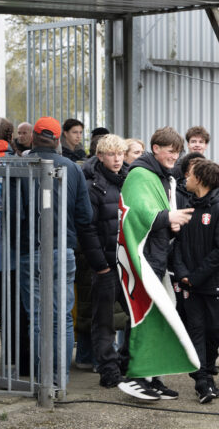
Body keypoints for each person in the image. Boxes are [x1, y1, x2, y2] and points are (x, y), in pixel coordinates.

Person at [117, 127, 194, 401]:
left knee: (161, 315)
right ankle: (136, 377)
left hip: (157, 258)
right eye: (170, 150)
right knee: (145, 317)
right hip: (143, 260)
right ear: (156, 148)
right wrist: (168, 218)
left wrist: (170, 223)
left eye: (177, 151)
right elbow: (137, 213)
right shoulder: (140, 175)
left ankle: (153, 378)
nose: (175, 156)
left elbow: (155, 215)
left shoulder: (163, 176)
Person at [19, 116, 93, 380]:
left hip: (31, 251)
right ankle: (60, 380)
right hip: (64, 251)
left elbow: (13, 215)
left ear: (33, 138)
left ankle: (43, 380)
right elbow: (85, 216)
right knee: (62, 317)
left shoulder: (22, 166)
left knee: (38, 318)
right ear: (57, 139)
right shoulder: (72, 169)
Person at [172, 160, 219, 404]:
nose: (185, 177)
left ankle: (208, 374)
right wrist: (183, 273)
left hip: (212, 285)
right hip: (190, 285)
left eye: (190, 175)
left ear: (200, 179)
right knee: (196, 329)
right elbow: (177, 244)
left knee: (213, 331)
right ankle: (201, 381)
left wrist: (196, 276)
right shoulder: (187, 205)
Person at [77, 135, 131, 388]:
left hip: (129, 264)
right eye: (111, 154)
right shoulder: (92, 186)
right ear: (100, 156)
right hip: (107, 264)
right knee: (104, 321)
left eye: (120, 153)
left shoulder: (130, 180)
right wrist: (101, 265)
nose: (117, 158)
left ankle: (126, 362)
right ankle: (108, 369)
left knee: (135, 316)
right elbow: (87, 228)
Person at [0, 117, 31, 375]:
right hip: (12, 252)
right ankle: (15, 362)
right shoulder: (19, 161)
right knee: (14, 312)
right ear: (11, 135)